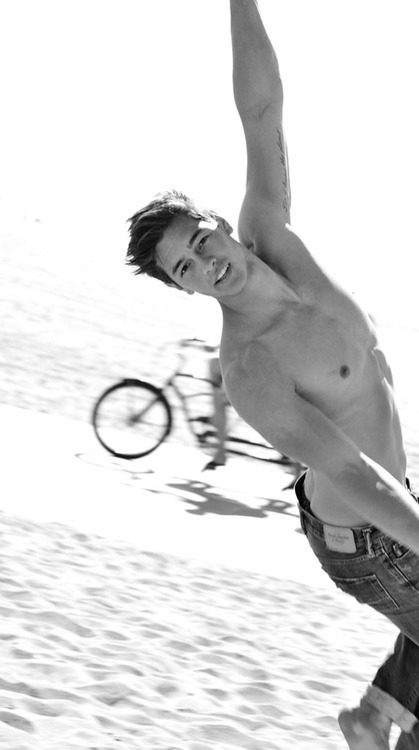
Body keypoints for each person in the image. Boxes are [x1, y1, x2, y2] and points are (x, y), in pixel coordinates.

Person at [125, 2, 419, 747]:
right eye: (185, 270)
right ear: (184, 289)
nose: (205, 265)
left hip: (392, 499)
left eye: (199, 242)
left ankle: (373, 719)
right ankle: (379, 720)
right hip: (363, 537)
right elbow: (348, 470)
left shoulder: (271, 229)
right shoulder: (248, 366)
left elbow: (260, 109)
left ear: (220, 224)